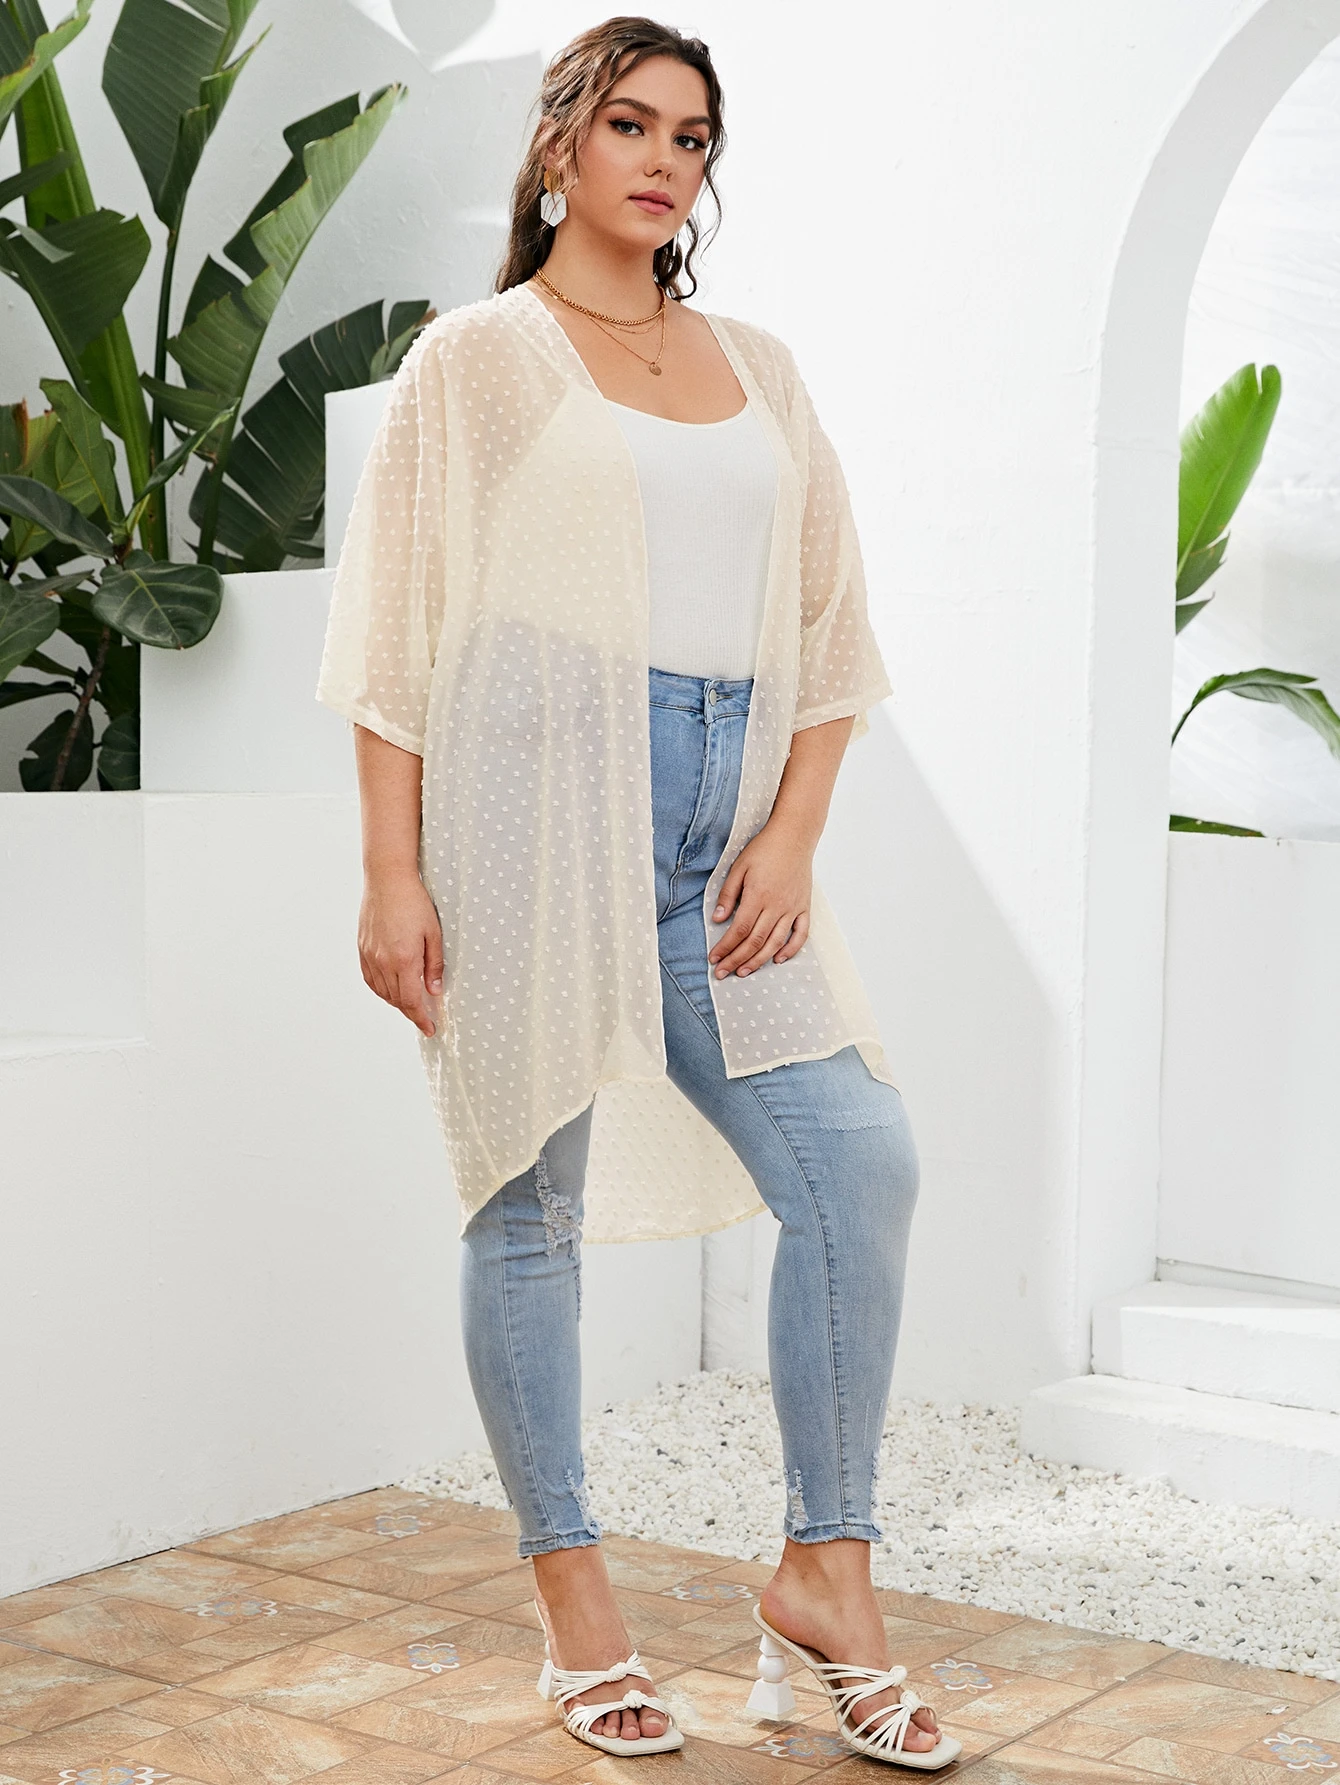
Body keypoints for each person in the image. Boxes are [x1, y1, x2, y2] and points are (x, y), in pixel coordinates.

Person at [317, 15, 956, 1773]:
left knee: (860, 1165)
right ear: (559, 149)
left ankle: (825, 1574)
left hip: (720, 836)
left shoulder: (760, 365)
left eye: (691, 135)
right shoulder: (478, 360)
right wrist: (391, 869)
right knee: (528, 1206)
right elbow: (395, 630)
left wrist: (794, 833)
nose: (665, 158)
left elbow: (831, 626)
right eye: (630, 125)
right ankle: (575, 1606)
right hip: (530, 812)